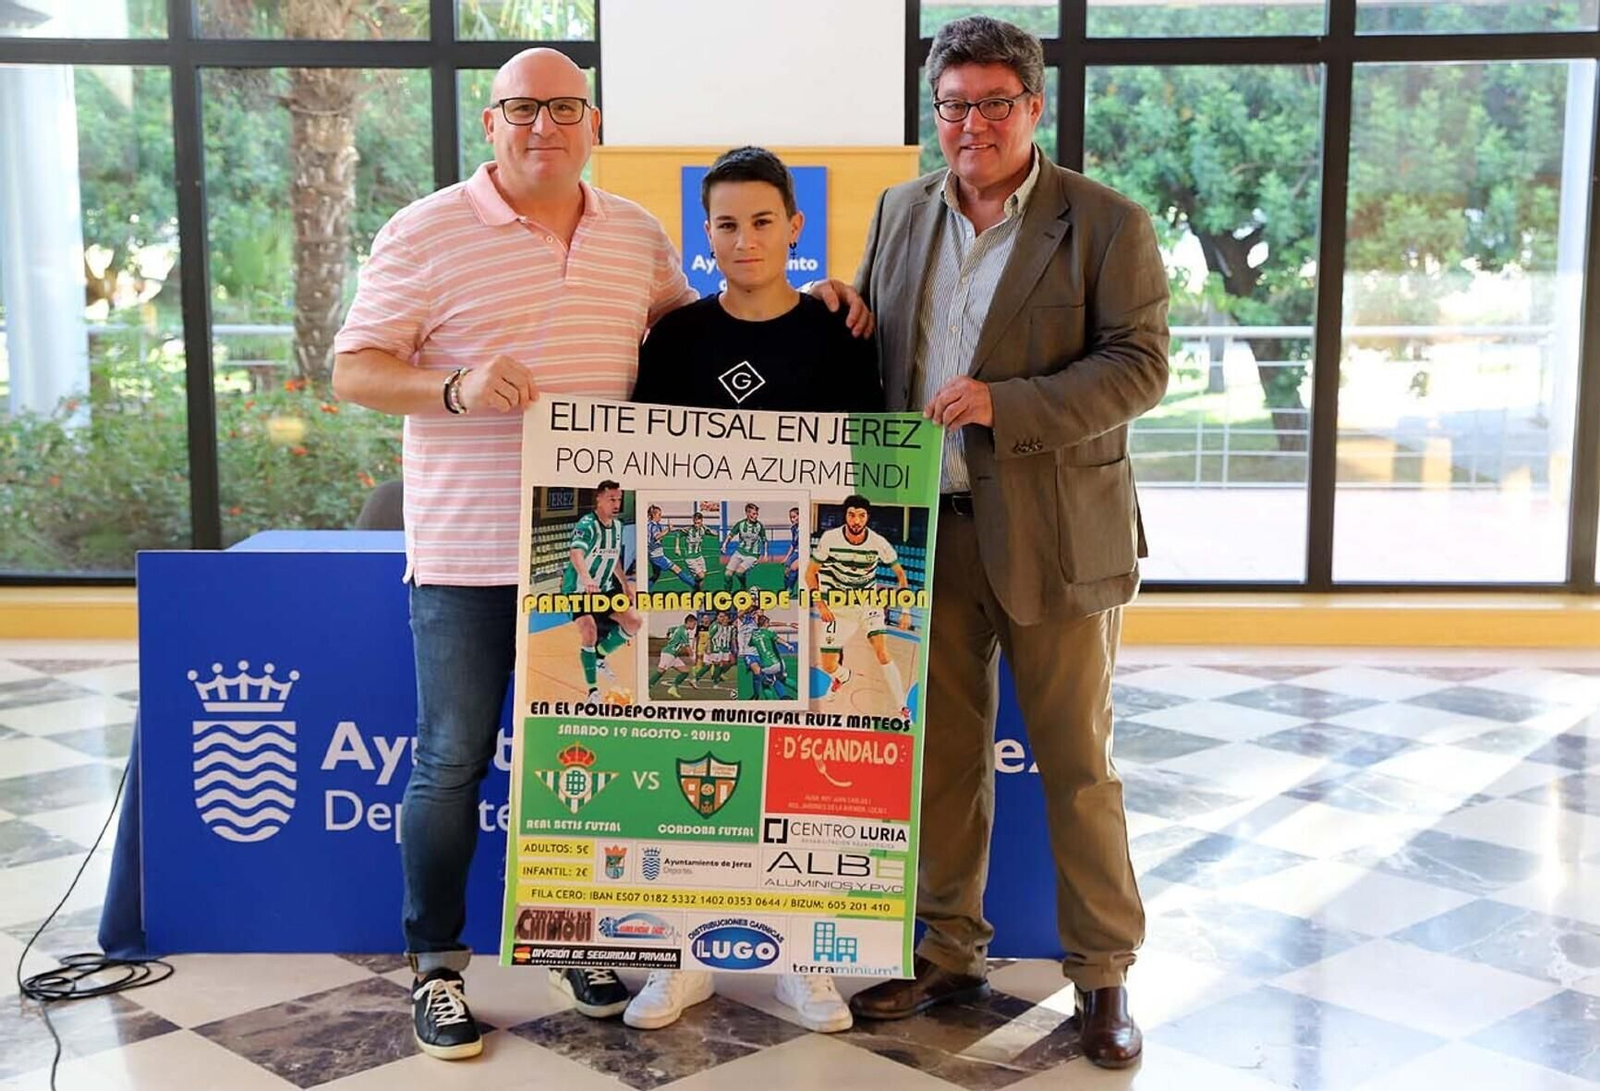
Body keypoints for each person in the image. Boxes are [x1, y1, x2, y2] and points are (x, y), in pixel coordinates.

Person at [331, 51, 872, 1061]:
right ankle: (436, 965)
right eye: (522, 108)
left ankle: (574, 937)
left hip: (602, 556)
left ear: (594, 123)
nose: (544, 124)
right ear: (490, 123)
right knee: (451, 756)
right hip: (468, 542)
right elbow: (352, 368)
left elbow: (700, 330)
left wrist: (817, 295)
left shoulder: (633, 230)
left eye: (564, 107)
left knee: (578, 763)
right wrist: (453, 387)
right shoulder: (424, 228)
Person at [842, 17, 1169, 1071]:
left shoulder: (1105, 222)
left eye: (991, 103)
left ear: (1033, 108)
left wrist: (1004, 402)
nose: (969, 124)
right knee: (939, 759)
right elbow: (883, 343)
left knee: (1076, 764)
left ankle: (1103, 974)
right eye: (952, 105)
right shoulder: (899, 210)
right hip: (922, 533)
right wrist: (841, 310)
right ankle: (947, 952)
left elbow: (1139, 367)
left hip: (1058, 536)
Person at [625, 145, 881, 1034]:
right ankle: (684, 958)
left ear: (795, 227)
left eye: (763, 220)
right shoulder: (680, 337)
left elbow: (865, 469)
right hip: (696, 598)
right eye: (726, 224)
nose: (745, 239)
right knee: (691, 773)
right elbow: (643, 463)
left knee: (801, 780)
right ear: (706, 235)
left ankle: (803, 963)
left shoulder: (837, 336)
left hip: (804, 599)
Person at [807, 494, 912, 719]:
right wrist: (821, 604)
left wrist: (906, 611)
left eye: (861, 515)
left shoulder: (878, 542)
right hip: (838, 608)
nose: (856, 520)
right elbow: (810, 573)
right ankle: (843, 677)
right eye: (852, 515)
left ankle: (902, 706)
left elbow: (901, 576)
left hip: (867, 604)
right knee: (828, 665)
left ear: (867, 518)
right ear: (845, 516)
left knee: (882, 652)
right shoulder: (830, 538)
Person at [563, 483, 641, 705]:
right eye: (611, 499)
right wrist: (587, 578)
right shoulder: (587, 524)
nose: (616, 504)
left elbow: (614, 557)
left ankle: (599, 656)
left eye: (619, 499)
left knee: (634, 622)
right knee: (589, 630)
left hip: (605, 589)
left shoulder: (617, 526)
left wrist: (625, 585)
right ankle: (593, 691)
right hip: (579, 589)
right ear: (598, 499)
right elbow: (576, 552)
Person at [646, 504, 701, 590]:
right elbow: (657, 537)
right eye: (659, 515)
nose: (660, 517)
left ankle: (645, 589)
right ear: (653, 515)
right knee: (676, 569)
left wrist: (669, 529)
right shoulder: (653, 526)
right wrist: (668, 530)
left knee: (656, 575)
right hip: (657, 556)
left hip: (653, 555)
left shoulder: (651, 525)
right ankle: (695, 586)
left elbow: (661, 533)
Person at [649, 612, 699, 697]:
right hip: (669, 653)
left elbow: (670, 629)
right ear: (689, 622)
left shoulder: (679, 628)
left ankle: (673, 689)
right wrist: (692, 658)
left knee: (685, 671)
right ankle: (646, 690)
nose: (694, 626)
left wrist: (668, 635)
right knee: (660, 672)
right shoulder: (683, 631)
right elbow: (687, 647)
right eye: (694, 624)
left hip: (674, 655)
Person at [720, 502, 767, 593]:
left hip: (753, 554)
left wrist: (765, 554)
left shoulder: (759, 526)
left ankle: (743, 587)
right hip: (740, 552)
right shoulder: (740, 524)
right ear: (747, 513)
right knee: (727, 574)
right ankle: (727, 594)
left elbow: (764, 540)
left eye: (757, 514)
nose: (756, 516)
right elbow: (731, 535)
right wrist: (724, 545)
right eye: (753, 514)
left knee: (739, 572)